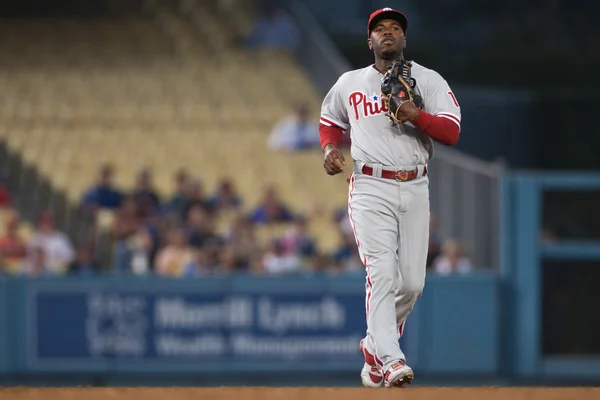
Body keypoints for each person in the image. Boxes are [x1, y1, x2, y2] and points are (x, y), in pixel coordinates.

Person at [318, 8, 461, 388]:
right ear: (370, 40)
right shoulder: (350, 82)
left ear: (403, 39)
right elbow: (330, 118)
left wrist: (417, 115)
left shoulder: (427, 80)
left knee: (412, 283)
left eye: (395, 28)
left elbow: (452, 131)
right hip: (369, 186)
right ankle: (391, 358)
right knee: (380, 272)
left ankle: (372, 345)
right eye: (379, 29)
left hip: (415, 184)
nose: (387, 34)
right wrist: (330, 148)